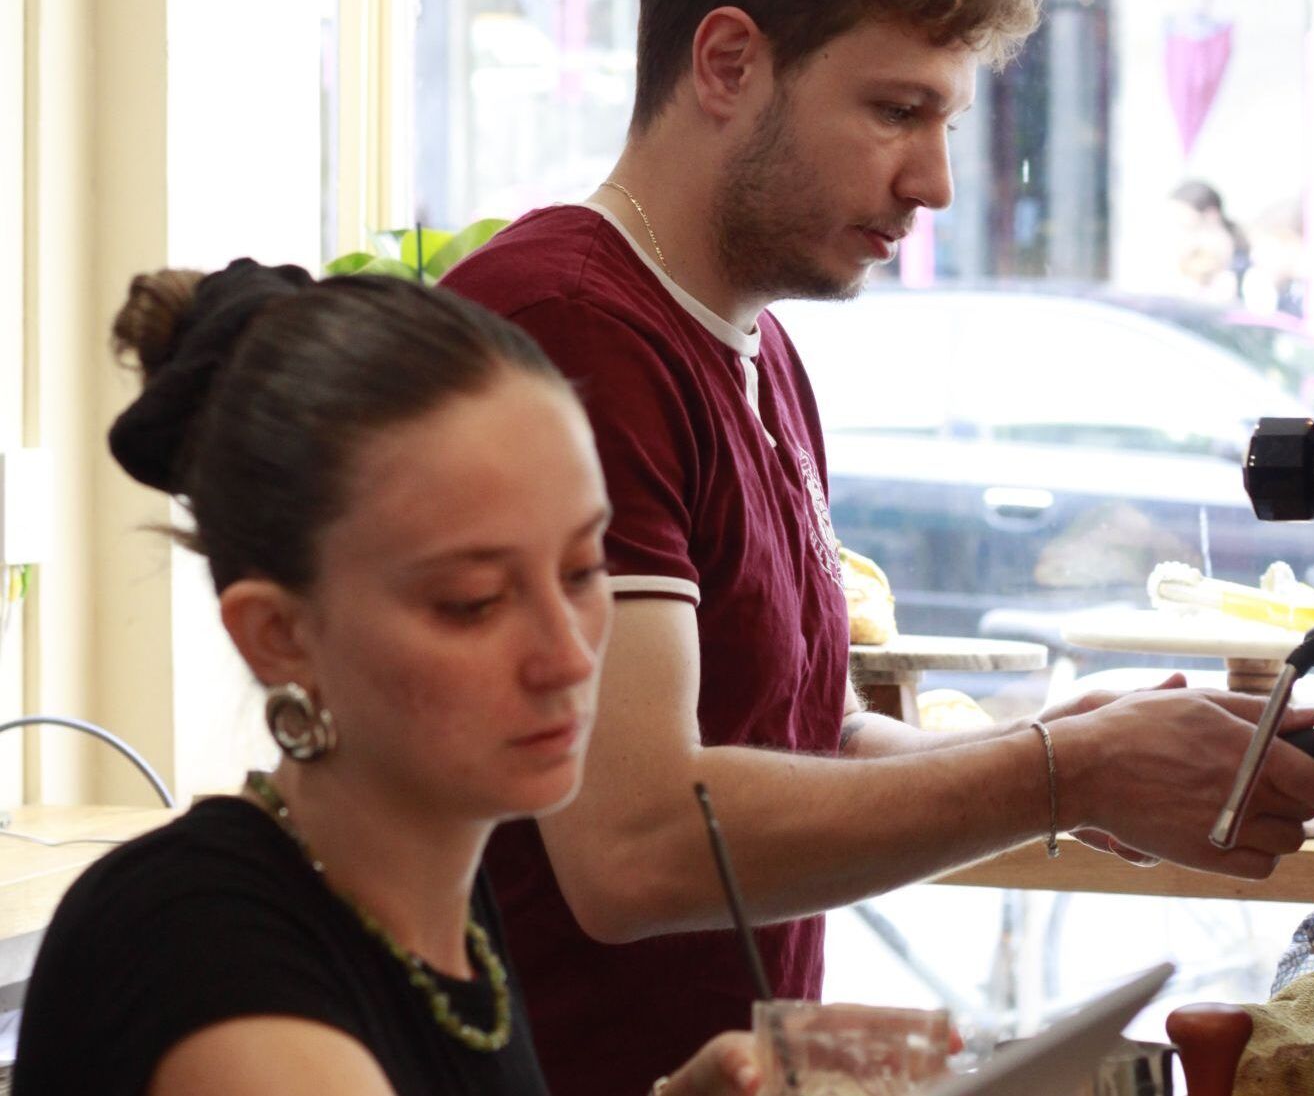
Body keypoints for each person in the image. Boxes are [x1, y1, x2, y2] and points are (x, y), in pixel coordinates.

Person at [442, 0, 1314, 1096]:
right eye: (895, 110)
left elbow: (787, 740)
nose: (934, 181)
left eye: (947, 117)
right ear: (728, 63)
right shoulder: (568, 330)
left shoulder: (756, 349)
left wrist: (1068, 760)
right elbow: (635, 845)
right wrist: (1060, 773)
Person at [13, 261, 759, 1096]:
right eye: (473, 602)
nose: (571, 656)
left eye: (584, 569)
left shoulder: (433, 886)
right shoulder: (205, 960)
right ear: (280, 636)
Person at [1164, 180, 1250, 304]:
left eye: (1182, 213)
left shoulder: (1229, 250)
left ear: (1211, 213)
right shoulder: (1188, 246)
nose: (1178, 221)